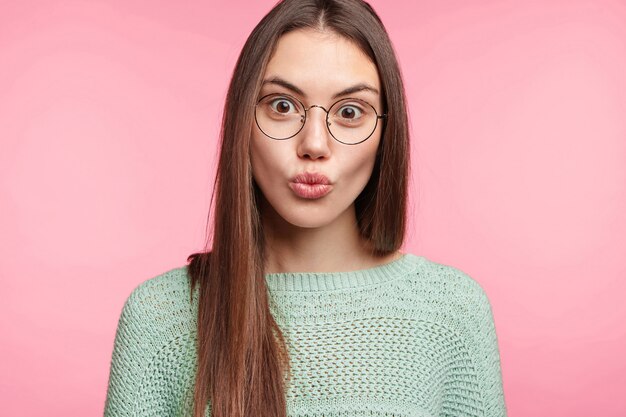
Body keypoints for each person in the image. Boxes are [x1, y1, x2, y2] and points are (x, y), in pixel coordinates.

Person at [103, 0, 508, 416]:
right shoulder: (160, 318)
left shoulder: (452, 311)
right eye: (282, 106)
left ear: (388, 132)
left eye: (350, 112)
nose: (314, 144)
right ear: (243, 119)